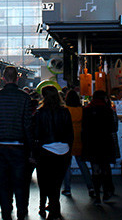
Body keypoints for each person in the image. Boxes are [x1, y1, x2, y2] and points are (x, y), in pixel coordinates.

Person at [0, 66, 33, 220]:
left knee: (3, 182)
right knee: (21, 181)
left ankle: (6, 211)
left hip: (0, 145)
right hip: (19, 146)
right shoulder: (25, 98)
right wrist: (31, 148)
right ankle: (22, 211)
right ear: (17, 79)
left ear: (3, 78)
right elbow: (27, 124)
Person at [32, 86, 72, 220]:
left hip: (46, 151)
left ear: (43, 96)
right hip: (64, 150)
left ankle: (53, 209)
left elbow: (36, 134)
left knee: (47, 182)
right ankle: (55, 208)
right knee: (57, 182)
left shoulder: (40, 113)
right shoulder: (65, 111)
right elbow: (70, 132)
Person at [81, 89, 118, 203]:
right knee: (105, 168)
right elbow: (114, 128)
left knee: (95, 169)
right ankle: (107, 192)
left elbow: (84, 128)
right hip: (105, 143)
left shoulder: (86, 110)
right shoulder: (108, 110)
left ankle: (97, 194)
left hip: (92, 143)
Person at [61, 89, 93, 198]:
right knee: (82, 164)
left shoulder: (65, 110)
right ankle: (90, 187)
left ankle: (67, 188)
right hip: (79, 138)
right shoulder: (82, 110)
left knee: (66, 165)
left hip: (68, 139)